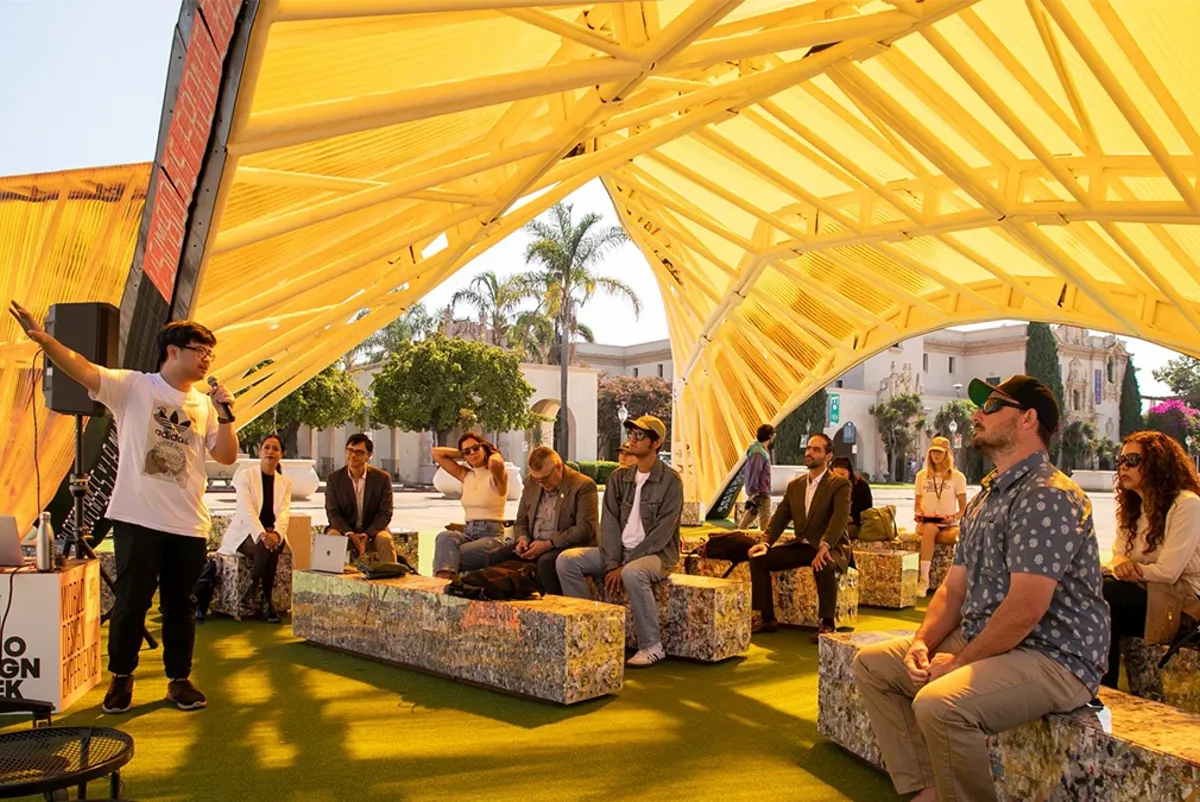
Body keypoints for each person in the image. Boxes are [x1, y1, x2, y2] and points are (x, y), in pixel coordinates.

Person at [852, 374, 1109, 802]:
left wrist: (958, 664)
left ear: (1028, 419)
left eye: (991, 407)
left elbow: (1026, 608)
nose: (977, 415)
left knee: (941, 704)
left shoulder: (1048, 494)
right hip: (993, 640)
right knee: (874, 665)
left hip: (1054, 655)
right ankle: (927, 790)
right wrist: (922, 642)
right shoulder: (988, 495)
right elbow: (954, 589)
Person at [9, 301, 238, 714]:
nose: (207, 359)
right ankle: (122, 677)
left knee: (180, 605)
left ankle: (178, 679)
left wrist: (226, 418)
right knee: (133, 600)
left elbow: (224, 455)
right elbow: (81, 367)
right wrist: (43, 339)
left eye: (211, 354)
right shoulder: (134, 387)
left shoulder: (204, 406)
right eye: (200, 350)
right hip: (138, 516)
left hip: (189, 523)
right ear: (173, 351)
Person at [558, 415, 681, 668]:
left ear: (656, 442)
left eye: (639, 435)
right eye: (631, 434)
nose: (631, 440)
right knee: (566, 561)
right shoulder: (619, 477)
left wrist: (626, 564)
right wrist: (614, 561)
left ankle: (652, 646)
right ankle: (589, 628)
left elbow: (662, 532)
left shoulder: (671, 480)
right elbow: (610, 524)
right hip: (619, 554)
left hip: (656, 555)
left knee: (634, 574)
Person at [1102, 430, 1200, 688]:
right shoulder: (1134, 507)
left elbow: (1169, 571)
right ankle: (1098, 687)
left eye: (1133, 460)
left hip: (1182, 602)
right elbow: (1118, 553)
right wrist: (1121, 564)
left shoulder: (1186, 504)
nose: (1123, 467)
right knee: (1086, 594)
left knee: (1103, 597)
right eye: (1120, 461)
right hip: (1144, 592)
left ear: (1158, 463)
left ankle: (1105, 692)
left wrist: (1129, 568)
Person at [748, 434, 851, 639]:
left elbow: (839, 520)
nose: (809, 453)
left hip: (830, 546)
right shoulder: (795, 485)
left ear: (828, 456)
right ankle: (767, 618)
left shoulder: (839, 484)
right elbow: (779, 518)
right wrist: (765, 543)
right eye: (808, 448)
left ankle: (828, 623)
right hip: (802, 545)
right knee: (758, 559)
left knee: (824, 563)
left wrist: (825, 546)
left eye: (816, 450)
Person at [486, 446, 598, 595]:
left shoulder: (582, 485)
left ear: (558, 467)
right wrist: (522, 538)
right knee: (494, 557)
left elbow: (584, 529)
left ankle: (555, 611)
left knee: (545, 563)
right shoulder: (531, 482)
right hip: (534, 543)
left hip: (564, 545)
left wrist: (548, 544)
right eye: (536, 479)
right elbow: (521, 520)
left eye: (545, 478)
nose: (541, 483)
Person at [218, 434, 291, 623]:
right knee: (265, 547)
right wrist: (262, 535)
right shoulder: (245, 476)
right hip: (245, 534)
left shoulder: (285, 483)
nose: (270, 451)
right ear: (260, 452)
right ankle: (266, 601)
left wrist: (275, 533)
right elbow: (247, 510)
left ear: (281, 454)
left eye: (275, 448)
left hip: (272, 533)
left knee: (272, 546)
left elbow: (284, 512)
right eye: (266, 447)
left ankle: (252, 586)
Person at [432, 433, 508, 578]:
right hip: (468, 533)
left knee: (446, 559)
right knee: (444, 537)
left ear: (484, 448)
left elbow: (496, 463)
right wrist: (464, 454)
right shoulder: (466, 475)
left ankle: (441, 592)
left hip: (491, 536)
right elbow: (437, 453)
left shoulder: (497, 476)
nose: (472, 453)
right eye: (467, 451)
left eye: (476, 448)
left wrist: (491, 451)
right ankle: (446, 590)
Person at [324, 433, 396, 563]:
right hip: (344, 530)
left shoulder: (382, 478)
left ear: (369, 455)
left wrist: (368, 534)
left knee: (385, 540)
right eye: (350, 450)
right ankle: (330, 579)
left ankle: (391, 579)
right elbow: (333, 513)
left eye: (359, 452)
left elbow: (386, 513)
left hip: (373, 530)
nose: (353, 456)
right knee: (332, 537)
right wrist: (350, 534)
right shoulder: (334, 479)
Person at [913, 436, 968, 596]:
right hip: (927, 523)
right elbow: (917, 503)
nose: (935, 455)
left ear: (947, 454)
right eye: (933, 452)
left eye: (939, 452)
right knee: (930, 529)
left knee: (952, 536)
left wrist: (953, 518)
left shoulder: (958, 477)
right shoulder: (921, 476)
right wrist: (919, 513)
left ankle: (953, 581)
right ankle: (924, 580)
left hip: (949, 525)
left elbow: (963, 509)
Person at [739, 424, 774, 530]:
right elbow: (755, 473)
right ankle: (764, 540)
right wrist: (754, 493)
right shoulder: (758, 452)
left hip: (760, 490)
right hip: (761, 491)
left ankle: (739, 534)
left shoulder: (759, 450)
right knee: (765, 517)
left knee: (752, 514)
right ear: (770, 436)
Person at [831, 456, 873, 539]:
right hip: (834, 523)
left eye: (842, 474)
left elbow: (868, 510)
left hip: (854, 524)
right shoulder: (830, 484)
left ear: (849, 472)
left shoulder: (860, 486)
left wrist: (853, 518)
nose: (838, 478)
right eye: (835, 475)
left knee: (837, 534)